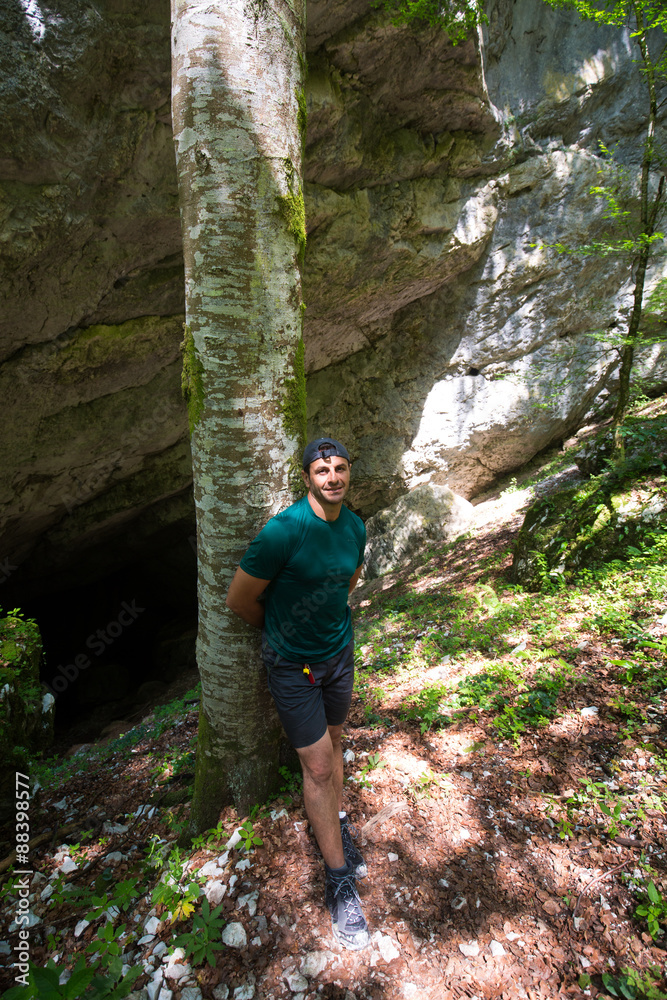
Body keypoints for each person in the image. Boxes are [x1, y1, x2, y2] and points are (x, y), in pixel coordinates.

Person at [225, 437, 370, 951]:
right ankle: (338, 881)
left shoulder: (354, 526)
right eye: (322, 470)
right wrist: (283, 634)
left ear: (349, 473)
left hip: (339, 656)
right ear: (307, 477)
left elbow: (346, 583)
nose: (333, 477)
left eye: (340, 468)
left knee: (335, 744)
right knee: (320, 767)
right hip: (293, 667)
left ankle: (338, 818)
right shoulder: (283, 531)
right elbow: (239, 599)